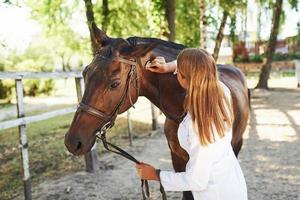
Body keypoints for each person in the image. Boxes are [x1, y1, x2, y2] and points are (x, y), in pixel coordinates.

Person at [135, 48, 248, 200]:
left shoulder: (199, 126)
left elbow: (197, 181)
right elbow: (202, 62)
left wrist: (156, 174)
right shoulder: (222, 91)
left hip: (214, 194)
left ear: (185, 79)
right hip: (231, 184)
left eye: (177, 73)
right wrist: (169, 67)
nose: (175, 74)